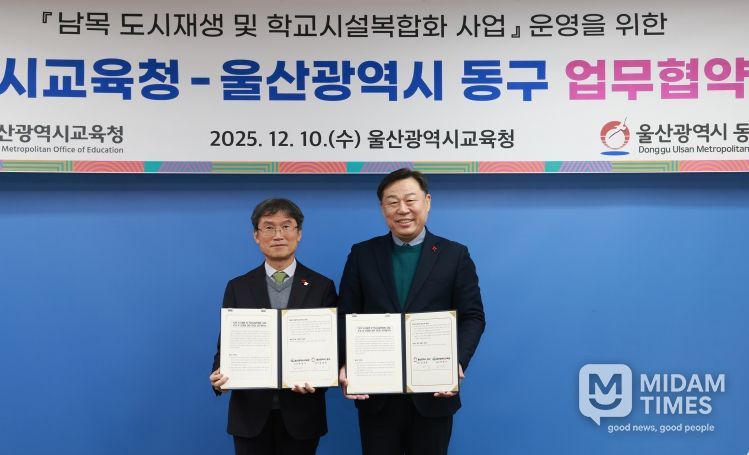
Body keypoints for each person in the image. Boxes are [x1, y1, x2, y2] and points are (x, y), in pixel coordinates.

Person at [338, 169, 486, 455]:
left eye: (410, 200)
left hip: (434, 393)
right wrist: (346, 363)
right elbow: (345, 314)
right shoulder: (362, 254)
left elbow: (473, 316)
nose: (402, 209)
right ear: (382, 208)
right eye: (392, 202)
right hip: (376, 394)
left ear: (427, 202)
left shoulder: (454, 255)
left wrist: (456, 362)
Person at [210, 198, 337, 455]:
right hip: (250, 416)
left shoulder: (322, 286)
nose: (278, 235)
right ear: (256, 236)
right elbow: (227, 347)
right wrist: (218, 377)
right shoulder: (238, 287)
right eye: (269, 227)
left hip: (302, 414)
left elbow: (332, 348)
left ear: (298, 233)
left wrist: (319, 380)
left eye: (286, 226)